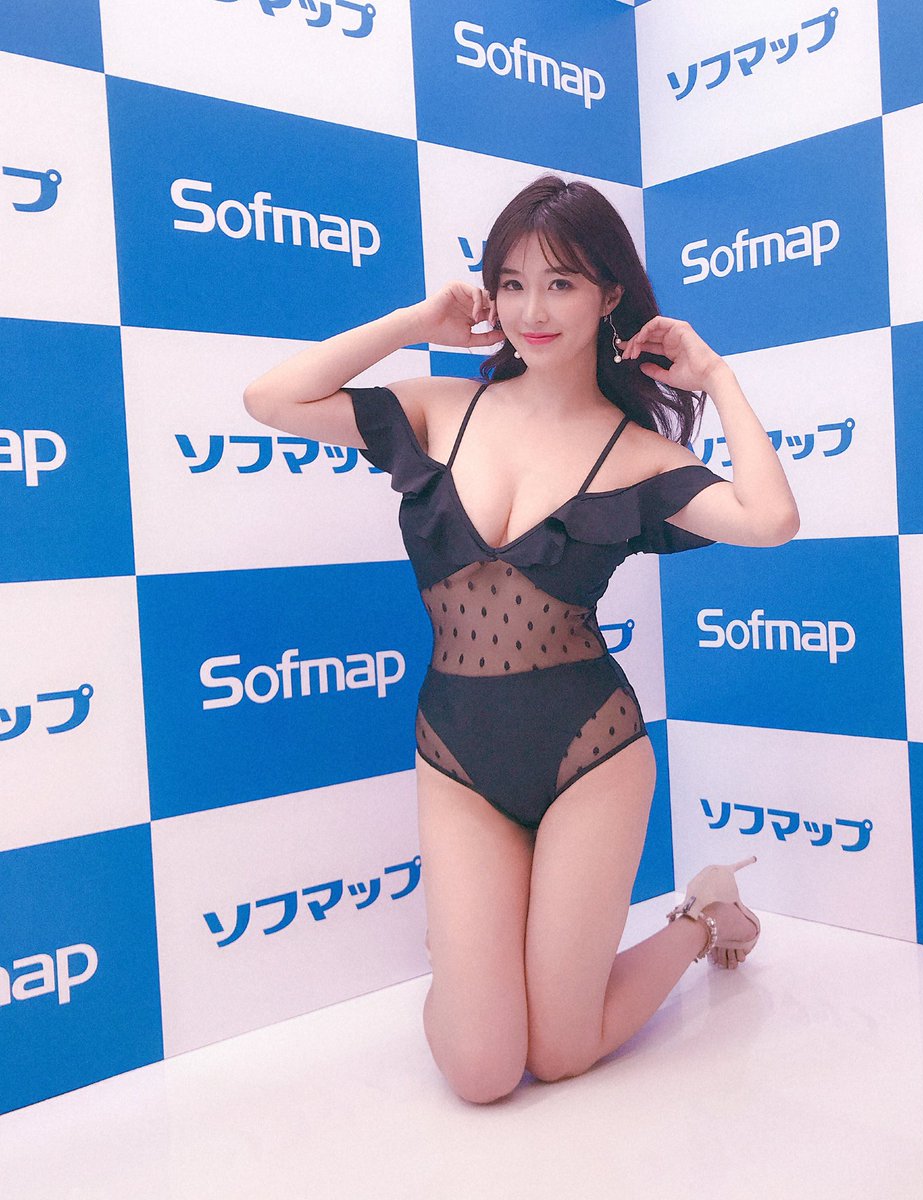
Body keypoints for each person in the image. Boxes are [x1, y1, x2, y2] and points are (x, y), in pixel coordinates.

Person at [243, 174, 800, 1104]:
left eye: (561, 283)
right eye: (511, 283)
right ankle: (480, 966)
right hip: (457, 753)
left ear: (610, 295)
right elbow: (270, 400)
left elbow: (771, 519)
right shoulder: (436, 408)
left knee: (563, 1051)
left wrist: (719, 378)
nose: (531, 311)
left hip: (591, 753)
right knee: (482, 1071)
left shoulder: (640, 454)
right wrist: (415, 322)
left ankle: (706, 914)